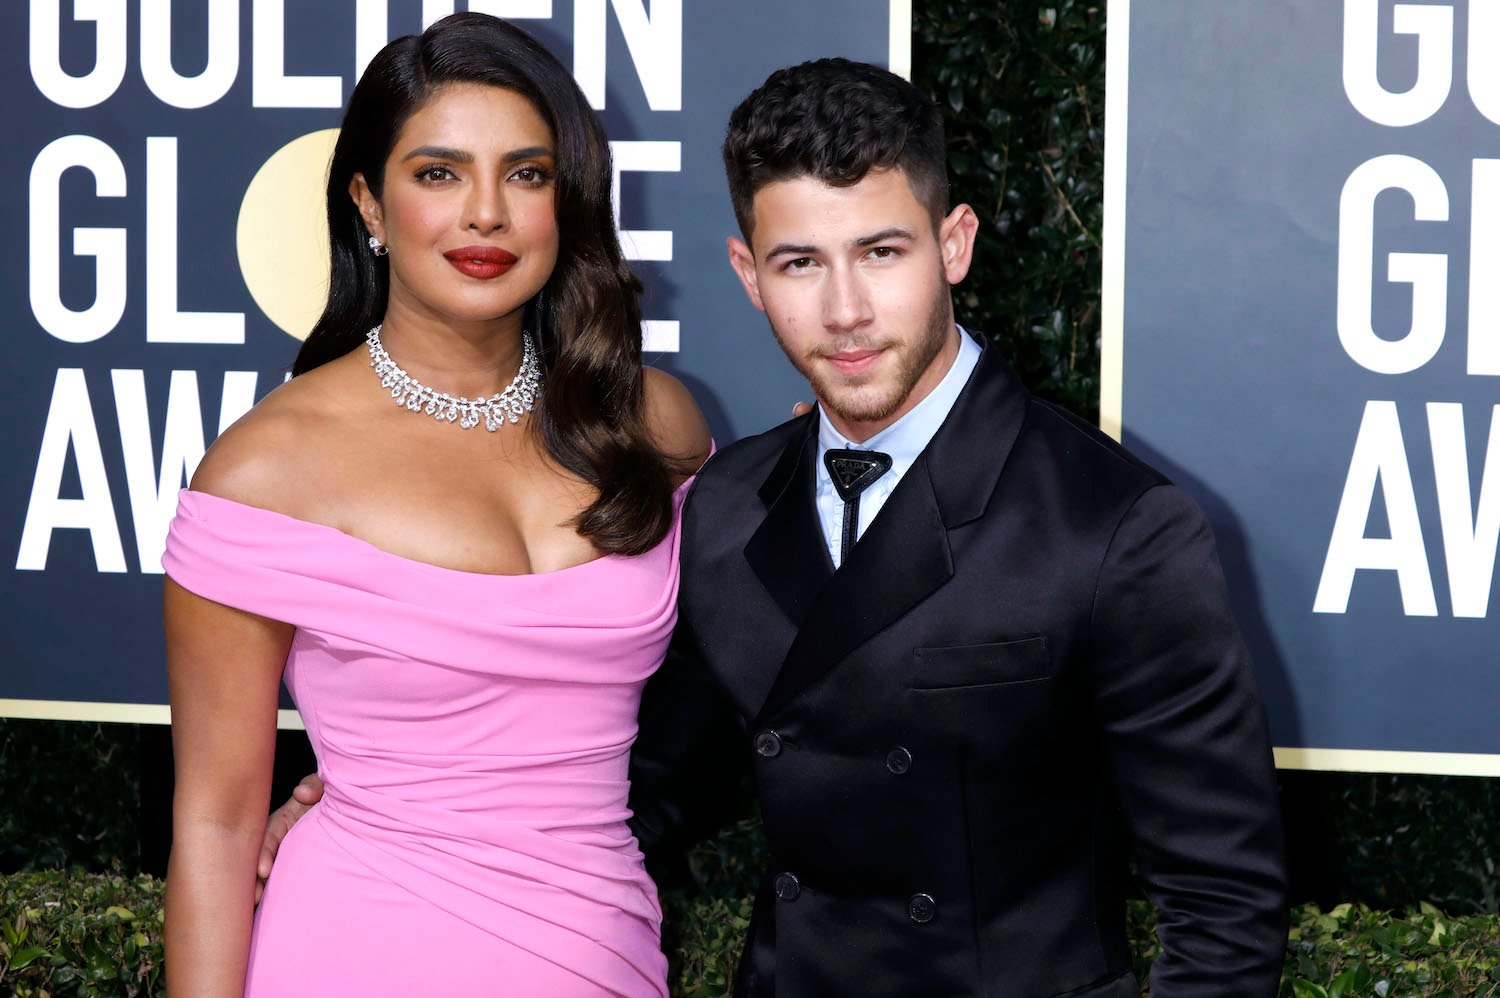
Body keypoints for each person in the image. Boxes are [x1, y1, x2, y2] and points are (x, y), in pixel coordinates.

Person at [262, 57, 1289, 996]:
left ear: (955, 244)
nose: (846, 310)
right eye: (800, 263)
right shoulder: (727, 503)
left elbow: (1225, 914)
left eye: (881, 251)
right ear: (750, 276)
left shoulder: (1117, 524)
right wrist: (384, 807)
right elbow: (632, 782)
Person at [162, 13, 707, 997]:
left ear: (566, 200)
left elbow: (736, 691)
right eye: (439, 173)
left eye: (527, 174)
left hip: (604, 952)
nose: (486, 213)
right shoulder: (265, 471)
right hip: (356, 949)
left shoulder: (653, 422)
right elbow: (214, 820)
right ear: (368, 202)